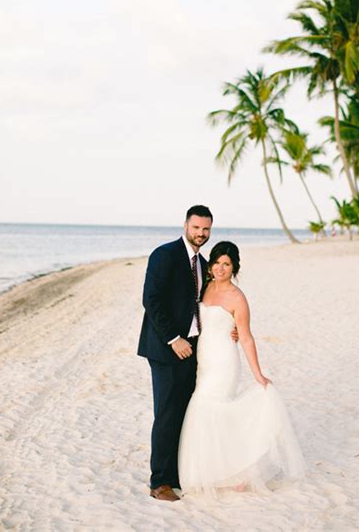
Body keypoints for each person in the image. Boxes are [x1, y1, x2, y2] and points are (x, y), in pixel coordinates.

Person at [178, 241, 306, 497]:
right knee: (211, 411)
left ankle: (238, 470)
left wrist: (258, 373)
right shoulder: (205, 287)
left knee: (209, 407)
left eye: (227, 264)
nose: (221, 268)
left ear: (234, 267)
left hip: (225, 360)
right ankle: (226, 470)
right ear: (211, 265)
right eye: (217, 262)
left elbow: (246, 337)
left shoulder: (238, 298)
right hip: (204, 359)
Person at [138, 205, 218, 502]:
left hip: (192, 349)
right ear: (186, 225)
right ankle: (159, 483)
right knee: (167, 415)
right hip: (166, 348)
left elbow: (202, 304)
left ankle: (174, 475)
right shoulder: (165, 255)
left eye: (206, 229)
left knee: (184, 413)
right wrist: (174, 339)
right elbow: (151, 299)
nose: (201, 233)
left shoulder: (203, 263)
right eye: (196, 227)